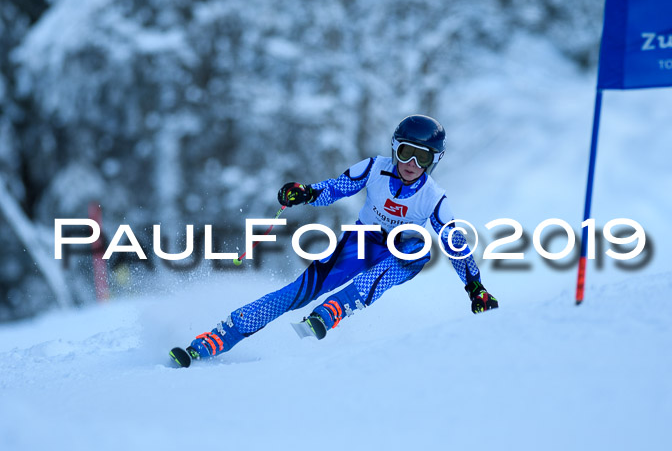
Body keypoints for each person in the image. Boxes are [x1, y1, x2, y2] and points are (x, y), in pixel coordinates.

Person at [183, 115, 498, 362]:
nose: (411, 165)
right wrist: (306, 193)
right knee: (299, 291)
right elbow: (337, 187)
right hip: (361, 242)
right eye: (406, 153)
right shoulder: (376, 168)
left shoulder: (434, 198)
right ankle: (217, 338)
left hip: (400, 252)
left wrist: (475, 287)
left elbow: (454, 245)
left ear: (435, 161)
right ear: (394, 148)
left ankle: (336, 308)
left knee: (418, 248)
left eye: (422, 158)